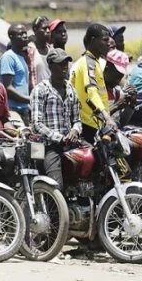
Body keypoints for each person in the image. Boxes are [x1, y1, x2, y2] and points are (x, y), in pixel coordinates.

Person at [30, 48, 82, 188]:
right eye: (60, 64)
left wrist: (75, 132)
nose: (65, 67)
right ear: (51, 66)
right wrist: (60, 138)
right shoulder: (40, 90)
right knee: (56, 186)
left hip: (70, 142)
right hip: (50, 146)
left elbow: (77, 120)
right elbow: (36, 125)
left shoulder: (71, 89)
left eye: (66, 63)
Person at [70, 24, 116, 142]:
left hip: (97, 123)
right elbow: (91, 92)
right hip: (88, 124)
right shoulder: (87, 63)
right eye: (105, 40)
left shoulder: (95, 62)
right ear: (94, 41)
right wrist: (107, 117)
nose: (109, 43)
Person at [0, 24, 31, 126]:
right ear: (11, 36)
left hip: (24, 109)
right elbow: (7, 88)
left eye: (25, 33)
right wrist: (30, 99)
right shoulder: (8, 57)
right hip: (12, 110)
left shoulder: (21, 57)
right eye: (21, 33)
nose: (25, 36)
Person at [102, 50, 135, 126]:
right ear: (107, 67)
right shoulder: (95, 90)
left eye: (120, 77)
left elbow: (120, 123)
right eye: (116, 75)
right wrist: (116, 106)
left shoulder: (116, 92)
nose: (118, 80)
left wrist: (131, 104)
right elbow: (94, 121)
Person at [29, 16, 52, 82]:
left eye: (49, 28)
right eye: (44, 28)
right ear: (35, 30)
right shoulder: (29, 51)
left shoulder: (52, 51)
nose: (48, 31)